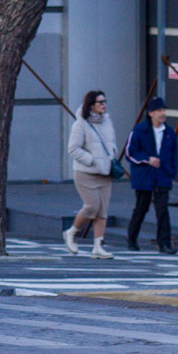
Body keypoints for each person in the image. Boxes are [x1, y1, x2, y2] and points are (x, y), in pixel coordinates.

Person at [66, 89, 118, 259]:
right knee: (92, 207)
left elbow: (111, 143)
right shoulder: (80, 124)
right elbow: (73, 149)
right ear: (91, 105)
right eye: (100, 102)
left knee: (102, 211)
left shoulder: (107, 121)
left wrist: (112, 156)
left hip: (105, 172)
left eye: (105, 102)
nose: (103, 105)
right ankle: (72, 232)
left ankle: (98, 246)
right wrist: (91, 159)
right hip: (86, 172)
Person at [125, 97, 178, 254]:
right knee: (141, 208)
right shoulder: (140, 130)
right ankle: (132, 239)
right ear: (150, 113)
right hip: (144, 175)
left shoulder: (169, 132)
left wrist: (172, 172)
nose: (162, 114)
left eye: (163, 110)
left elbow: (174, 154)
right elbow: (130, 152)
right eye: (158, 111)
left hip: (163, 175)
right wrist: (147, 159)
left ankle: (164, 243)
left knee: (162, 210)